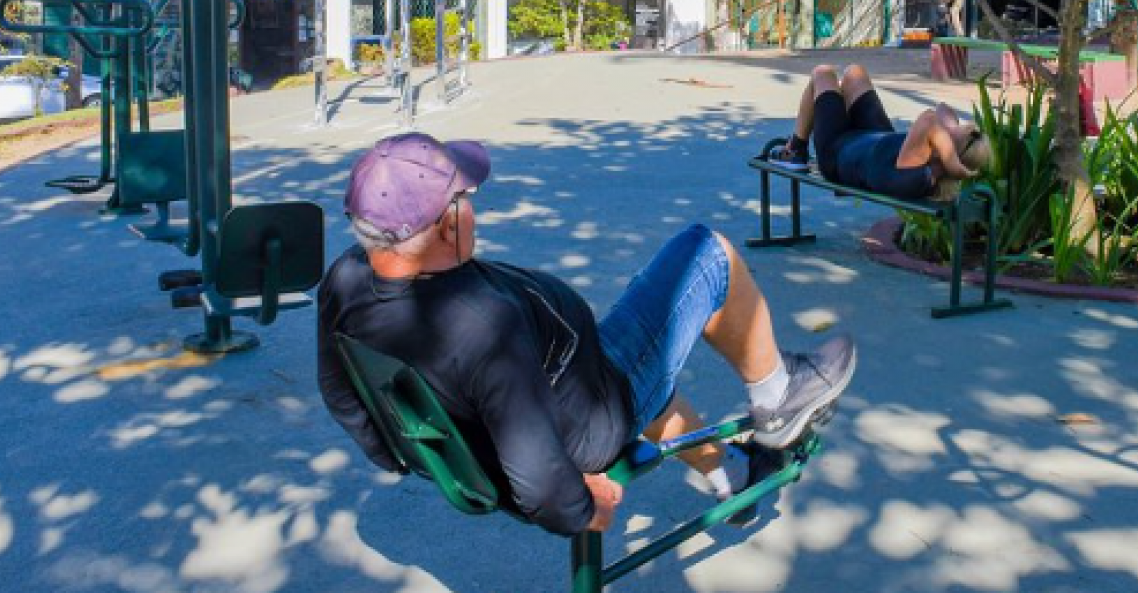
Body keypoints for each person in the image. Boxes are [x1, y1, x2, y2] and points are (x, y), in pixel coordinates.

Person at [317, 132, 857, 538]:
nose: (474, 210)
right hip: (592, 411)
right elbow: (536, 474)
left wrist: (388, 450)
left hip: (559, 381)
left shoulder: (345, 279)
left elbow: (340, 389)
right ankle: (777, 396)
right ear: (447, 225)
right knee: (706, 253)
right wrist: (581, 508)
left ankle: (731, 480)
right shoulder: (483, 329)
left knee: (650, 363)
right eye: (466, 198)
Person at [767, 63, 992, 200]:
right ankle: (827, 114)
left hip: (838, 150)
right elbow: (943, 109)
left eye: (961, 135)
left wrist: (952, 162)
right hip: (875, 136)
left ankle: (796, 149)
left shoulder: (918, 175)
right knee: (855, 73)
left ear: (949, 153)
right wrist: (953, 141)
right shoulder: (928, 150)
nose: (958, 128)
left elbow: (930, 118)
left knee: (823, 74)